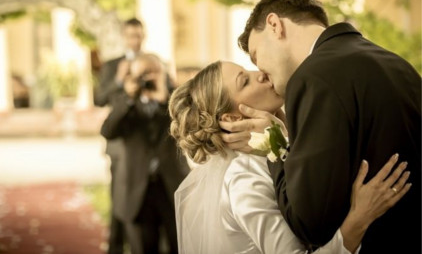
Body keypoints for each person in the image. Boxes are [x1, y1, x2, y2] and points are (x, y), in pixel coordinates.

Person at [219, 0, 421, 253]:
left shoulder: (312, 78)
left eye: (257, 57)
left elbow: (310, 223)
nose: (262, 72)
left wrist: (274, 142)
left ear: (274, 25)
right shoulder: (395, 62)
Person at [168, 60, 411, 254]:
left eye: (249, 69)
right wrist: (359, 218)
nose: (260, 73)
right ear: (231, 118)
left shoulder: (280, 144)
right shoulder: (243, 178)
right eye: (245, 81)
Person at [101, 54, 190, 254]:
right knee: (143, 247)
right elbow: (108, 131)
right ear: (131, 77)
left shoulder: (176, 99)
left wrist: (163, 99)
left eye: (154, 72)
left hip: (171, 185)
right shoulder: (124, 101)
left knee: (181, 246)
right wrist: (129, 99)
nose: (148, 78)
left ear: (163, 73)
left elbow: (189, 126)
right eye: (143, 73)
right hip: (137, 189)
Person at [94, 17, 145, 254]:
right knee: (119, 197)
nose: (135, 41)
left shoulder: (152, 63)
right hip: (117, 140)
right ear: (124, 37)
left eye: (139, 35)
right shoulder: (112, 65)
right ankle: (115, 247)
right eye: (131, 36)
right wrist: (118, 81)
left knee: (141, 198)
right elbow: (99, 99)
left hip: (144, 141)